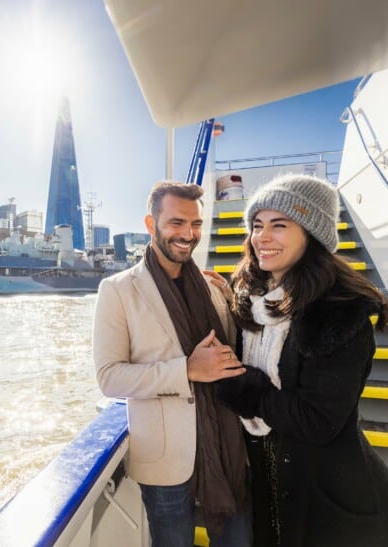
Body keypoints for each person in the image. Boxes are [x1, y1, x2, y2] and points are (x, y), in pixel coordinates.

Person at [211, 173, 388, 546]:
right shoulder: (252, 298)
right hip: (271, 487)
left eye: (280, 226)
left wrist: (247, 391)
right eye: (257, 225)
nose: (262, 237)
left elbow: (319, 420)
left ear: (312, 235)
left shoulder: (337, 311)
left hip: (331, 501)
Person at [93, 181, 252, 547]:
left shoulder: (212, 288)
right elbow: (109, 377)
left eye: (195, 224)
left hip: (228, 447)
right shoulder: (118, 289)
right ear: (151, 224)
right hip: (165, 458)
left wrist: (230, 299)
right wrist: (187, 371)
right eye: (176, 223)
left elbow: (235, 354)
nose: (188, 234)